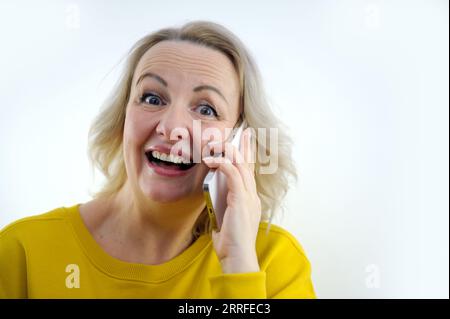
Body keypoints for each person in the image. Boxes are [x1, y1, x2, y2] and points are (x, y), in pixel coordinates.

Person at [0, 21, 316, 298]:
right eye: (152, 98)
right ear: (122, 119)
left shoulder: (272, 261)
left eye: (206, 109)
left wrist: (238, 265)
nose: (171, 128)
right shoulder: (21, 252)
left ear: (240, 141)